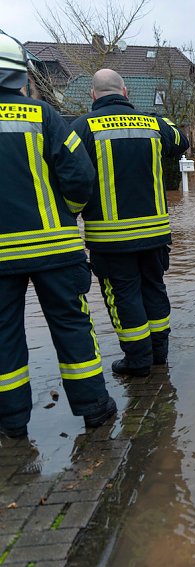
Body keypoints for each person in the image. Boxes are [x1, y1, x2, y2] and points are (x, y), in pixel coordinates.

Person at [0, 34, 116, 437]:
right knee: (72, 326)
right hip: (55, 246)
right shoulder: (44, 116)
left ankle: (11, 423)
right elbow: (81, 175)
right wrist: (68, 214)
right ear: (21, 76)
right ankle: (95, 409)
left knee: (3, 335)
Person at [71, 69, 189, 377]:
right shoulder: (152, 124)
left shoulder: (82, 128)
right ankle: (159, 354)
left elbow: (70, 177)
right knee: (154, 287)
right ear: (125, 92)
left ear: (92, 96)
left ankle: (138, 361)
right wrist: (159, 118)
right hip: (155, 234)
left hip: (111, 240)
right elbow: (181, 140)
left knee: (123, 295)